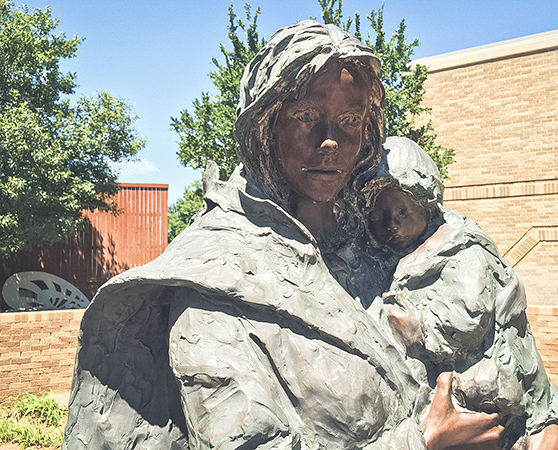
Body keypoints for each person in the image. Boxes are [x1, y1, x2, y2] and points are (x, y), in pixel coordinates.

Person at [63, 21, 508, 450]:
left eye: (350, 120)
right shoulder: (212, 281)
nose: (330, 140)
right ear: (265, 125)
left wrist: (553, 418)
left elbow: (499, 321)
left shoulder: (385, 230)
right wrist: (421, 443)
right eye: (306, 116)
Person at [363, 136, 558, 450]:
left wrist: (420, 330)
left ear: (428, 205)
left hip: (482, 386)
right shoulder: (387, 258)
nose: (391, 225)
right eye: (378, 217)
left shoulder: (463, 252)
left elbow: (470, 313)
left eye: (403, 214)